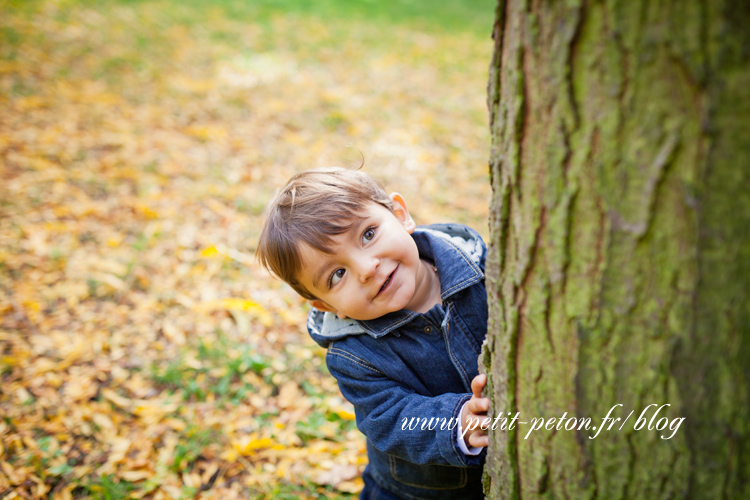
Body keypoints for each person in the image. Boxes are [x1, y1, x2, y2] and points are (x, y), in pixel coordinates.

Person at [257, 167, 490, 500]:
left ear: (400, 214)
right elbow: (390, 417)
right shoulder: (353, 356)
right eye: (338, 274)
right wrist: (457, 422)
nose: (367, 269)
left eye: (368, 234)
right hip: (415, 492)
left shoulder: (486, 270)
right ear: (324, 304)